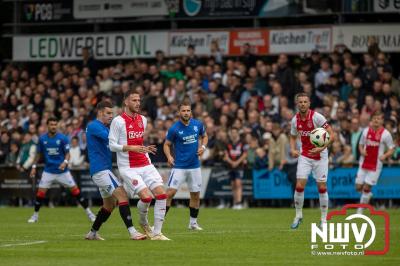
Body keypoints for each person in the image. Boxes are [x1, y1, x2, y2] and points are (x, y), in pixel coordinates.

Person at [109, 87, 170, 240]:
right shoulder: (118, 121)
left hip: (145, 163)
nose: (137, 103)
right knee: (147, 197)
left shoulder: (143, 119)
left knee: (162, 194)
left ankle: (157, 233)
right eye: (134, 100)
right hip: (128, 168)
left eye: (139, 100)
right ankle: (143, 221)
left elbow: (139, 142)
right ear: (126, 101)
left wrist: (144, 149)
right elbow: (112, 145)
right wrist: (132, 147)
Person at [85, 101, 146, 240]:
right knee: (122, 195)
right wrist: (133, 141)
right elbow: (114, 140)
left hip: (104, 170)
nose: (111, 116)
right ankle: (132, 232)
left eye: (112, 113)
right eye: (108, 113)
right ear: (100, 112)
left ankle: (92, 233)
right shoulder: (94, 126)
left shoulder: (104, 127)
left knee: (110, 204)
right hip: (101, 170)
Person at [28, 117, 96, 223]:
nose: (54, 126)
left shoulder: (63, 138)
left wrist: (65, 162)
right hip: (48, 171)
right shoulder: (42, 139)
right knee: (40, 193)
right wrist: (33, 167)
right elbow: (38, 154)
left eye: (55, 124)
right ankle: (35, 216)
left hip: (62, 172)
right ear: (47, 126)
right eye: (51, 124)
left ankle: (90, 214)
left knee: (76, 191)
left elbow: (68, 153)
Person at [289, 93, 334, 229]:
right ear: (297, 104)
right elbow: (292, 136)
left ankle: (324, 219)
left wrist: (321, 148)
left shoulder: (317, 117)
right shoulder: (295, 120)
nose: (302, 104)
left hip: (321, 156)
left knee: (322, 187)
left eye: (305, 102)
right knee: (299, 186)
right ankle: (298, 215)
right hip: (305, 156)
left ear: (309, 104)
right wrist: (292, 149)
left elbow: (332, 135)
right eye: (300, 102)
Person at [163, 101, 208, 230]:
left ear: (191, 112)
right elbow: (166, 144)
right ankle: (158, 223)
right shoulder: (174, 129)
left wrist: (203, 147)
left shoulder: (197, 124)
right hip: (179, 167)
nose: (186, 113)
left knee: (195, 195)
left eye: (188, 110)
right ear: (179, 112)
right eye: (183, 111)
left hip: (194, 166)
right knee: (170, 193)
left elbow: (205, 136)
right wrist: (169, 156)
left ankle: (193, 223)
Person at [355, 111, 395, 214]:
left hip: (376, 165)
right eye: (374, 119)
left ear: (382, 121)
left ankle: (361, 209)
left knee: (367, 187)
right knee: (358, 187)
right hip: (363, 163)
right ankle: (367, 195)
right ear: (371, 120)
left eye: (378, 118)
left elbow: (392, 148)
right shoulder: (365, 131)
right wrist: (362, 150)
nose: (376, 120)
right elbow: (360, 144)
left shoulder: (386, 134)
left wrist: (385, 155)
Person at [224, 127, 248, 209]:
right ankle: (235, 202)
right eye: (232, 132)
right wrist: (231, 162)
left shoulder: (242, 143)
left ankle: (239, 202)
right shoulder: (228, 143)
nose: (233, 134)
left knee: (238, 183)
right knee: (233, 184)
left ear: (237, 133)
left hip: (240, 166)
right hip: (230, 166)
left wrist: (237, 162)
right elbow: (226, 155)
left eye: (235, 132)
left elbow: (245, 154)